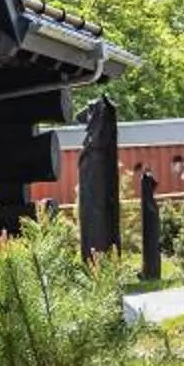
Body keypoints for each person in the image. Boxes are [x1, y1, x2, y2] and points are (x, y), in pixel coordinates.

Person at [77, 89, 122, 257]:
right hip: (93, 202)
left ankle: (98, 257)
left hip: (97, 201)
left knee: (99, 221)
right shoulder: (96, 146)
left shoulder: (98, 148)